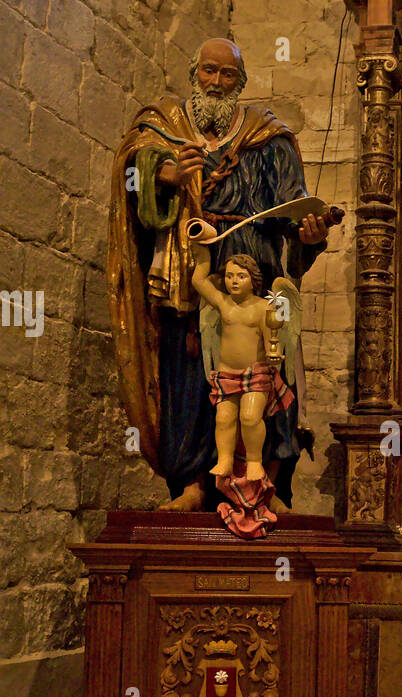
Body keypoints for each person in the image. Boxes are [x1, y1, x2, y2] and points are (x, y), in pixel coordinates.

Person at [108, 37, 329, 511]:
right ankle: (191, 482)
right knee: (187, 367)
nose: (216, 82)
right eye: (209, 71)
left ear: (241, 82)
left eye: (228, 75)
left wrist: (308, 235)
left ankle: (266, 484)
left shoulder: (270, 137)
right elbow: (131, 177)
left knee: (266, 368)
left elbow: (292, 208)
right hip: (187, 264)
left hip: (255, 263)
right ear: (194, 74)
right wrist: (163, 177)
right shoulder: (162, 129)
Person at [190, 250, 295, 482]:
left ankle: (254, 461)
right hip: (227, 372)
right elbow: (198, 281)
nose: (234, 281)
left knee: (249, 418)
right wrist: (203, 251)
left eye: (240, 276)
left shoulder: (263, 308)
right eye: (229, 276)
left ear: (253, 280)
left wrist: (273, 355)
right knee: (223, 418)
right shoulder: (223, 303)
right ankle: (225, 458)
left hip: (254, 373)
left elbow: (272, 341)